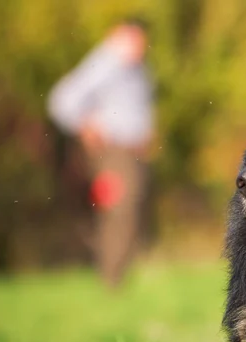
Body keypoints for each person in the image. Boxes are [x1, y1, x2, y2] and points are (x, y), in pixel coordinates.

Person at [48, 19, 155, 286]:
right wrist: (85, 125)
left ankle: (117, 275)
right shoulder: (106, 63)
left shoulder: (136, 69)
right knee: (120, 210)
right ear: (118, 36)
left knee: (129, 210)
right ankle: (111, 278)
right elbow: (62, 100)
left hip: (131, 152)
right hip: (113, 152)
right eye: (134, 39)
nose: (139, 47)